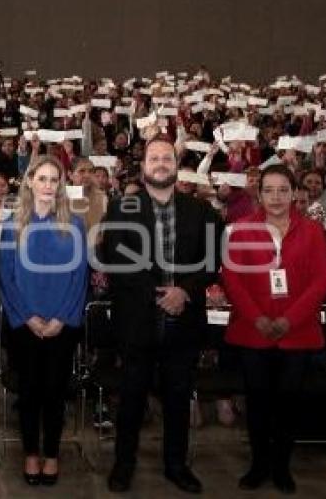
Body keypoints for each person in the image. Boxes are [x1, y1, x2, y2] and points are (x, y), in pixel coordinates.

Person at [102, 137, 222, 494]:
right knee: (132, 398)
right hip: (137, 319)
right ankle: (124, 465)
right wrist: (159, 296)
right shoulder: (121, 207)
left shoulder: (201, 211)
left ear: (176, 164)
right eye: (153, 158)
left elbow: (213, 261)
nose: (160, 163)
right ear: (143, 166)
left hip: (184, 319)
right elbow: (114, 258)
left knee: (177, 397)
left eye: (166, 158)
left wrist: (182, 291)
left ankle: (176, 464)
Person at [221, 163, 326, 494]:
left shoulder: (312, 230)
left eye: (283, 189)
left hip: (296, 333)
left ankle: (282, 467)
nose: (276, 197)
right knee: (257, 402)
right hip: (253, 330)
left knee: (287, 403)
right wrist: (257, 318)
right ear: (259, 193)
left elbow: (321, 280)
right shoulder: (239, 228)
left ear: (295, 192)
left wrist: (289, 319)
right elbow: (231, 278)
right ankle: (258, 465)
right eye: (268, 190)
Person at [0, 155, 88, 487]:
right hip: (24, 324)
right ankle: (31, 454)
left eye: (55, 180)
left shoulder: (75, 225)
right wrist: (27, 317)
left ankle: (52, 454)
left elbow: (80, 277)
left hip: (62, 325)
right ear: (30, 182)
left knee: (54, 392)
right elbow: (6, 277)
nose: (49, 185)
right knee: (29, 392)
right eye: (43, 179)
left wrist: (62, 318)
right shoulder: (12, 223)